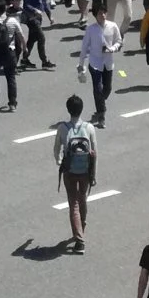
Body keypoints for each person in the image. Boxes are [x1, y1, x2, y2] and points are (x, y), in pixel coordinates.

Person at [55, 96, 98, 252]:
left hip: (70, 170)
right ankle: (82, 227)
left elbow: (56, 149)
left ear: (68, 110)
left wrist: (59, 161)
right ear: (81, 109)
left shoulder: (62, 128)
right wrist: (94, 174)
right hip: (86, 170)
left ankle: (79, 240)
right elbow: (95, 152)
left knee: (73, 204)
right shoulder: (89, 127)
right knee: (82, 199)